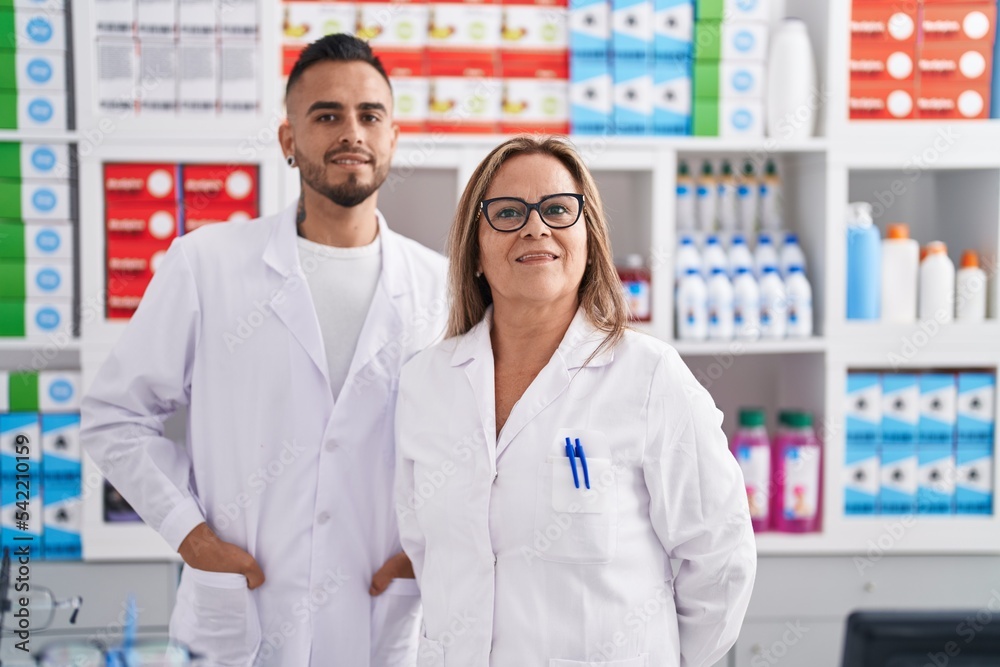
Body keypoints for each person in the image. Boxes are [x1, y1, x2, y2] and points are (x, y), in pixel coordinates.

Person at [82, 34, 448, 666]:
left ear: (392, 138)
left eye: (370, 115)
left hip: (381, 614)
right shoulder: (207, 262)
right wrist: (190, 535)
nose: (351, 132)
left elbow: (471, 444)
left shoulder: (443, 288)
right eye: (326, 115)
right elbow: (114, 416)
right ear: (287, 141)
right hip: (244, 615)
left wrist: (431, 547)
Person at [395, 135, 756, 667]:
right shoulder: (426, 382)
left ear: (589, 241)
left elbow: (720, 560)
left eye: (559, 210)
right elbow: (426, 549)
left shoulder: (651, 377)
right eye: (509, 212)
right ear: (474, 249)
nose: (536, 227)